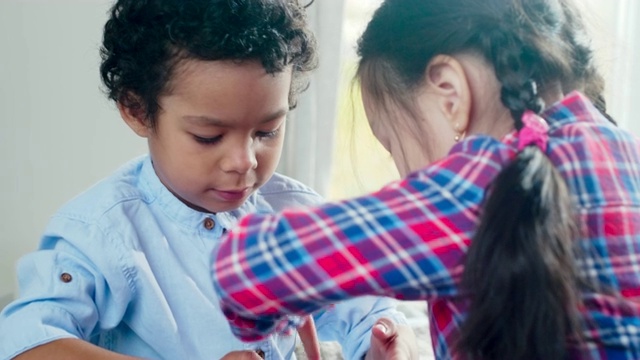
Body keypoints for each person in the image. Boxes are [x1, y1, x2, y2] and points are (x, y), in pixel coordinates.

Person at [211, 0, 640, 359]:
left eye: (395, 146)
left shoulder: (476, 186)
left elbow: (249, 267)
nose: (404, 177)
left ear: (449, 95)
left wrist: (275, 310)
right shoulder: (625, 154)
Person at [0, 0, 418, 359]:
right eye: (209, 137)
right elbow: (24, 344)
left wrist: (386, 341)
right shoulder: (101, 234)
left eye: (266, 131)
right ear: (137, 109)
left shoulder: (295, 214)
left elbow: (370, 311)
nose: (243, 161)